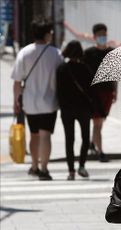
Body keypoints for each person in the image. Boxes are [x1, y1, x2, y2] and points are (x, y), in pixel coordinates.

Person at [11, 17, 63, 180]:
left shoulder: (24, 53)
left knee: (34, 135)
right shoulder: (56, 54)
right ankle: (44, 169)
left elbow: (17, 81)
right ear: (47, 34)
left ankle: (34, 165)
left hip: (30, 103)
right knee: (45, 135)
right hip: (49, 101)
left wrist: (15, 101)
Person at [56, 40, 92, 180]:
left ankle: (71, 171)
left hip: (67, 109)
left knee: (69, 139)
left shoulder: (61, 69)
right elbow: (91, 90)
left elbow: (59, 92)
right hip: (83, 109)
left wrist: (62, 106)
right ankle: (81, 166)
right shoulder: (85, 69)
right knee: (85, 138)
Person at [83, 23, 117, 162]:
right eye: (99, 35)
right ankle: (100, 151)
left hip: (108, 91)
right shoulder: (88, 53)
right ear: (94, 37)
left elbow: (115, 73)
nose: (102, 37)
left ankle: (92, 143)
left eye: (104, 34)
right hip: (94, 93)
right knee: (97, 123)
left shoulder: (111, 53)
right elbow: (84, 74)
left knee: (100, 122)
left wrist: (115, 91)